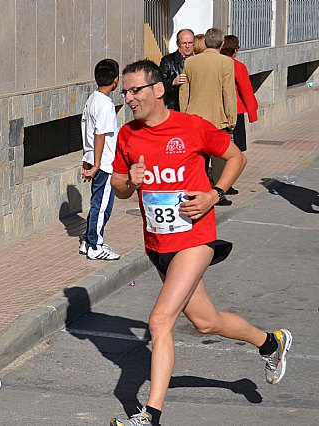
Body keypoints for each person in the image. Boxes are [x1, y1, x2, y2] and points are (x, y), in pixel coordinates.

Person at [108, 60, 291, 426]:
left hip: (195, 238)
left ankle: (151, 417)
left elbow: (236, 156)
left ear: (158, 89)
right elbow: (119, 186)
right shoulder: (128, 135)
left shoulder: (191, 127)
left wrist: (214, 193)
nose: (129, 98)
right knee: (206, 322)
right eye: (125, 92)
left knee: (160, 322)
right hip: (157, 245)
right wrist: (131, 179)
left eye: (135, 91)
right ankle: (271, 343)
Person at [180, 27, 237, 206]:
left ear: (204, 43)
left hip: (193, 117)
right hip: (216, 117)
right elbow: (228, 92)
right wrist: (231, 117)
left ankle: (197, 189)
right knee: (219, 158)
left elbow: (184, 92)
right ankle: (218, 193)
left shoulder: (191, 62)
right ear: (221, 44)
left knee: (198, 159)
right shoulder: (226, 63)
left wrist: (183, 116)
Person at [78, 59, 121, 260]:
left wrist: (87, 159)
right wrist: (96, 164)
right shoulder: (105, 104)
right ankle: (95, 246)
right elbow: (99, 134)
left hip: (95, 159)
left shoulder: (92, 100)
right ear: (116, 80)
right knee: (102, 205)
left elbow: (87, 131)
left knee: (97, 202)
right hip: (104, 163)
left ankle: (88, 241)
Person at [221, 34, 259, 195]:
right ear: (235, 50)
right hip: (235, 112)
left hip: (217, 111)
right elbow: (246, 91)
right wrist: (252, 113)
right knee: (235, 150)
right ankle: (227, 184)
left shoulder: (218, 64)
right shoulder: (238, 66)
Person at [159, 29, 195, 111]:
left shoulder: (199, 60)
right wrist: (173, 82)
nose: (187, 46)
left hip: (195, 106)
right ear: (178, 44)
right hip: (176, 106)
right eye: (184, 43)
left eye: (190, 43)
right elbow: (159, 84)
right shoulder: (167, 61)